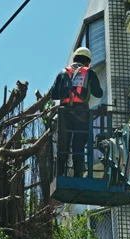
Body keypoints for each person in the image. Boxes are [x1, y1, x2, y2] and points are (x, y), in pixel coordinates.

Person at [51, 47, 103, 177]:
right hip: (81, 114)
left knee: (63, 147)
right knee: (78, 147)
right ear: (88, 62)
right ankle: (78, 174)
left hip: (64, 114)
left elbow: (54, 95)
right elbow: (98, 93)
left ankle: (59, 175)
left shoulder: (63, 73)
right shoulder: (89, 72)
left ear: (74, 59)